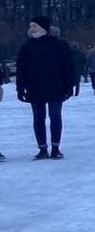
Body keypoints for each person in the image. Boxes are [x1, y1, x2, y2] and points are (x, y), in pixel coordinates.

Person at [15, 16, 76, 160]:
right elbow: (21, 69)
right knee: (38, 118)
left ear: (43, 27)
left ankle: (56, 148)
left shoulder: (59, 45)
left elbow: (68, 67)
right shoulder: (27, 46)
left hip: (56, 87)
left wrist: (70, 85)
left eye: (34, 26)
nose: (31, 29)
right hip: (35, 87)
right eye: (31, 26)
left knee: (55, 116)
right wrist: (20, 88)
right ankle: (42, 148)